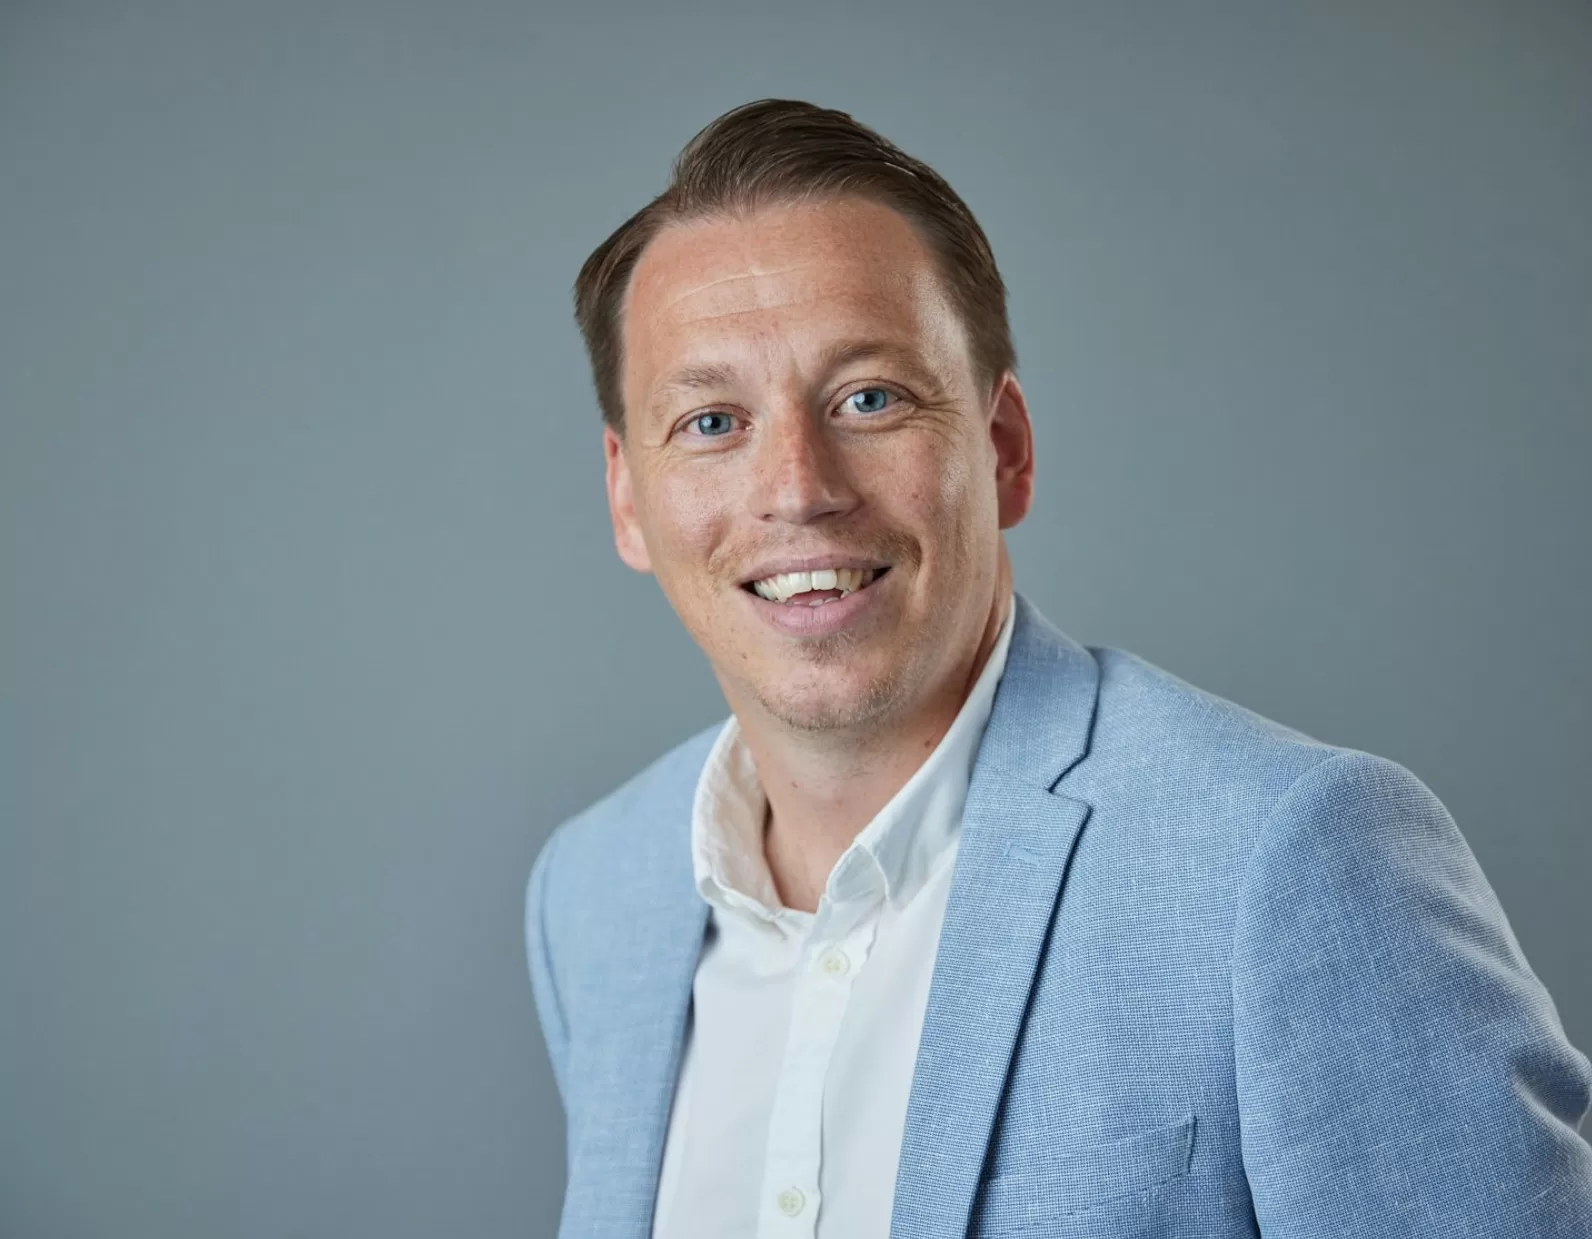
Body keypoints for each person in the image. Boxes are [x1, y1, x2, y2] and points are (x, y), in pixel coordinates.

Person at [523, 98, 1592, 1238]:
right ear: (627, 498)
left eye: (869, 399)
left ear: (1004, 450)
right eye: (709, 422)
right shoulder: (592, 893)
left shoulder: (1293, 855)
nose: (798, 487)